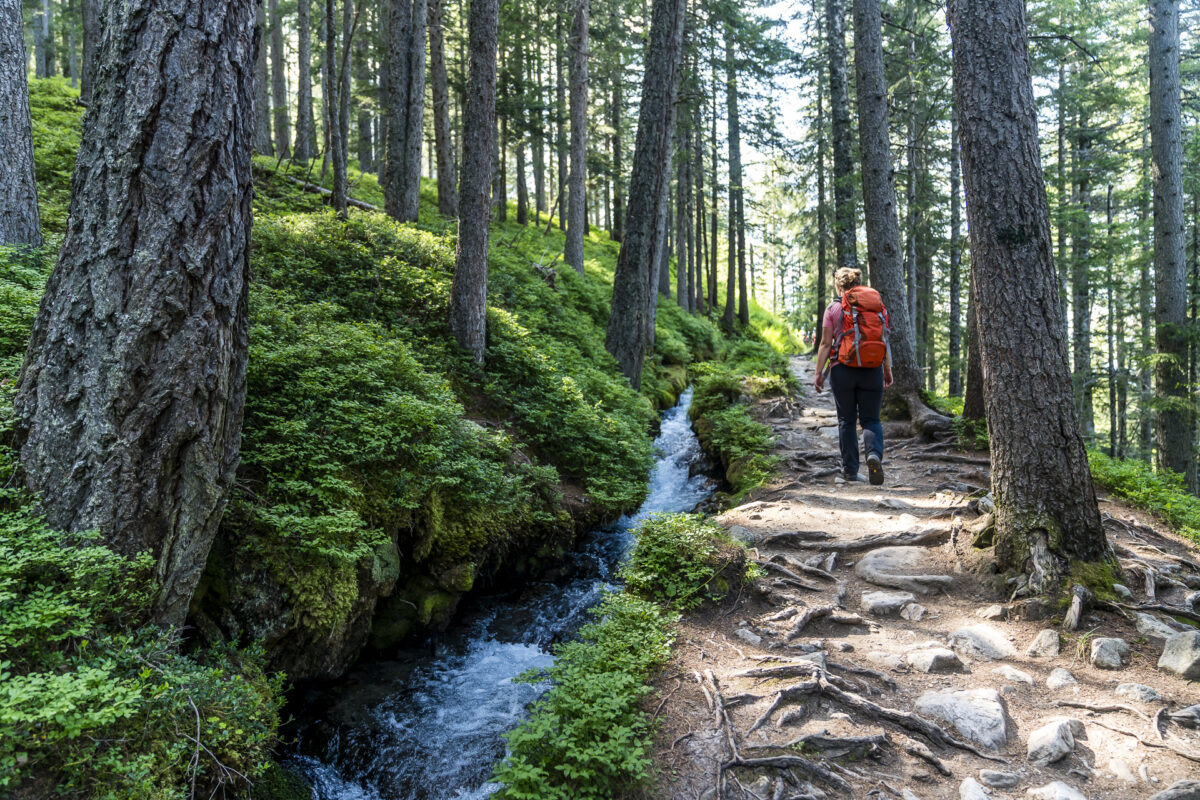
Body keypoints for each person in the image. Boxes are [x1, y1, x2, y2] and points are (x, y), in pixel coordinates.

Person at [813, 267, 893, 484]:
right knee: (871, 419)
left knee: (846, 420)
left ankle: (850, 470)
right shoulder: (878, 308)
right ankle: (874, 455)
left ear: (839, 286)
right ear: (858, 284)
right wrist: (887, 370)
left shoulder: (833, 308)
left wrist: (819, 372)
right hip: (872, 370)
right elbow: (884, 340)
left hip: (842, 370)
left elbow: (825, 343)